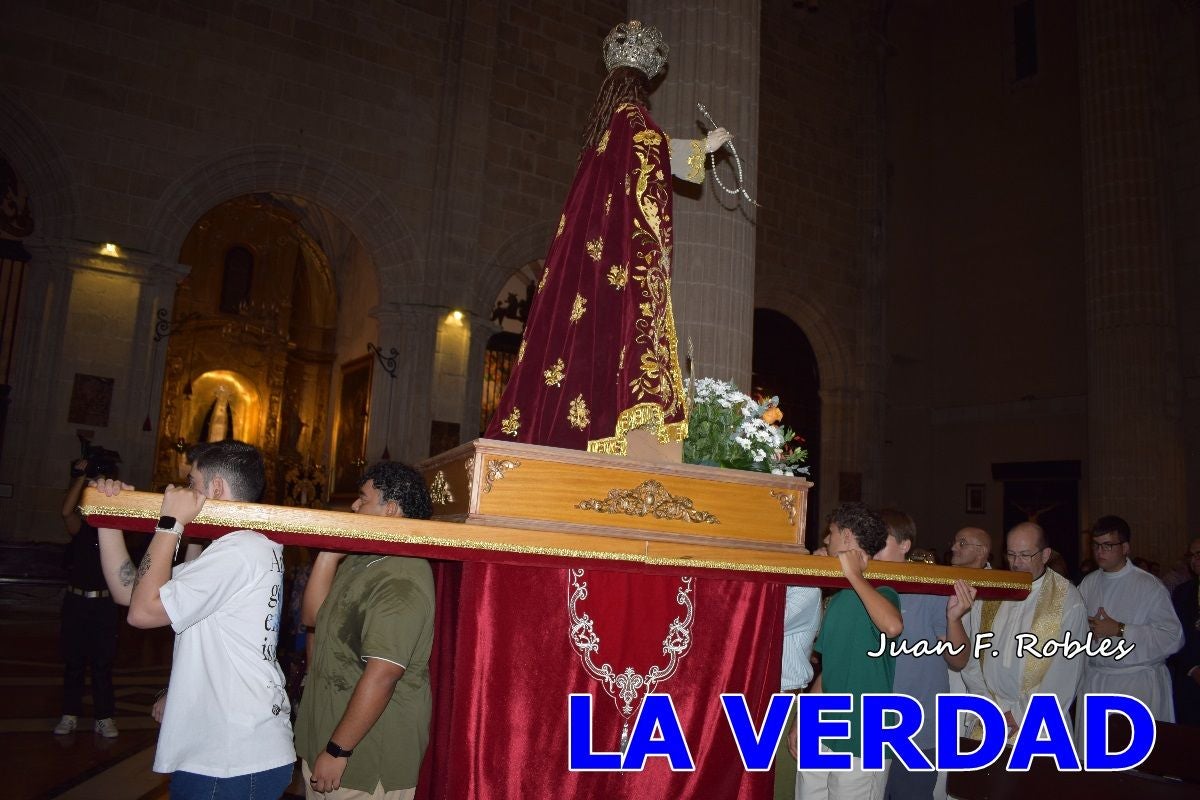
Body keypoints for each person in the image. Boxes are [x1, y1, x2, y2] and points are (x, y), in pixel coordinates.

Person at [483, 19, 729, 454]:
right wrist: (706, 148)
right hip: (618, 262)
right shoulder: (634, 121)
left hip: (590, 264)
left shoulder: (603, 133)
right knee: (616, 329)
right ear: (642, 86)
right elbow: (654, 152)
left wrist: (697, 151)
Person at [93, 440, 294, 799]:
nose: (184, 491)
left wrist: (170, 523)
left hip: (232, 757)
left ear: (215, 488)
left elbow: (142, 613)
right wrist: (108, 518)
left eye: (192, 482)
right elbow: (132, 593)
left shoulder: (241, 551)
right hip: (229, 751)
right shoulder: (235, 549)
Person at [294, 461, 435, 799]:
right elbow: (314, 619)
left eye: (363, 499)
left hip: (365, 756)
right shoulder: (363, 558)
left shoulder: (402, 576)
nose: (354, 507)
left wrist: (338, 749)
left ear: (391, 510)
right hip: (328, 733)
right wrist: (328, 555)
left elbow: (383, 673)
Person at [789, 503, 903, 800]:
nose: (826, 540)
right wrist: (803, 723)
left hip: (864, 735)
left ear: (848, 537)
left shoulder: (882, 590)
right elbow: (829, 672)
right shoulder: (839, 599)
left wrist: (854, 575)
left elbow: (892, 626)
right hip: (824, 728)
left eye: (832, 533)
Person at [956, 522, 1087, 743]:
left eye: (1025, 555)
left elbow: (1065, 672)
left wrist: (1019, 714)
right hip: (990, 717)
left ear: (1045, 555)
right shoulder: (993, 591)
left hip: (1038, 724)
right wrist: (988, 706)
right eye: (1011, 554)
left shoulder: (1067, 600)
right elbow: (972, 655)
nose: (1016, 563)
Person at [1075, 515, 1182, 747]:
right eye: (1096, 545)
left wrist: (1121, 629)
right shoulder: (1088, 583)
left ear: (1125, 547)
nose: (1100, 551)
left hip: (1136, 685)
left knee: (1134, 763)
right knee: (1095, 766)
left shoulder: (1149, 585)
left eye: (1108, 545)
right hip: (1096, 681)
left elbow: (1173, 637)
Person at [876, 509, 952, 800]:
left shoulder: (929, 587)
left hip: (919, 725)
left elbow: (956, 656)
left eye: (880, 540)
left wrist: (955, 620)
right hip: (875, 721)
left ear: (905, 545)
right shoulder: (867, 585)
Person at [54, 457, 120, 738]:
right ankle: (69, 714)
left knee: (103, 663)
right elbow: (66, 511)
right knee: (74, 661)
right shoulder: (81, 528)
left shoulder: (115, 528)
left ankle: (104, 717)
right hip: (76, 601)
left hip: (104, 603)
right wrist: (82, 477)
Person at [774, 583, 822, 800]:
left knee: (781, 788)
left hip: (786, 702)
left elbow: (768, 621)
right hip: (751, 701)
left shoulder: (805, 588)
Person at [1170, 537, 1200, 725]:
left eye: (1199, 554)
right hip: (1190, 680)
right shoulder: (1182, 592)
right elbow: (1173, 634)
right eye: (1192, 555)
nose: (1195, 559)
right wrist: (1193, 668)